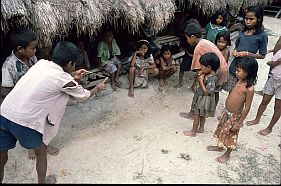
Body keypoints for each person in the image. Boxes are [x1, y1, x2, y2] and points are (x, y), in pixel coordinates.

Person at [0, 41, 107, 183]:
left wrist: (72, 74)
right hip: (23, 121)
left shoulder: (41, 63)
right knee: (41, 153)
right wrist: (97, 88)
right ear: (69, 63)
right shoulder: (64, 80)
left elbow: (53, 77)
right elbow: (84, 96)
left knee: (1, 157)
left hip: (4, 112)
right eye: (73, 65)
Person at [207, 56, 258, 163]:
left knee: (231, 135)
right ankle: (220, 146)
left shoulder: (249, 89)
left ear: (248, 72)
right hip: (227, 112)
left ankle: (227, 154)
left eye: (239, 70)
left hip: (235, 117)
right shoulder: (238, 81)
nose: (236, 72)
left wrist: (238, 123)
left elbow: (247, 107)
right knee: (222, 130)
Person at [179, 22, 228, 119]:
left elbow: (199, 70)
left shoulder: (198, 48)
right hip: (222, 69)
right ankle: (208, 113)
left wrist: (198, 83)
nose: (187, 40)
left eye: (187, 38)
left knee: (200, 93)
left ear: (192, 37)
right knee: (215, 91)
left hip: (217, 71)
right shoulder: (205, 41)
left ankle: (193, 114)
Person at [228, 5, 268, 92]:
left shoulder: (262, 35)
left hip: (247, 69)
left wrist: (247, 54)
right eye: (246, 19)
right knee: (231, 91)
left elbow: (262, 55)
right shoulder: (242, 31)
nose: (248, 21)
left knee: (241, 93)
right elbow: (237, 45)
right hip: (235, 66)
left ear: (259, 19)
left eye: (251, 19)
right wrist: (235, 51)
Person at [183, 52, 220, 137]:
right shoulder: (207, 74)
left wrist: (200, 81)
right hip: (201, 98)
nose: (201, 68)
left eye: (202, 66)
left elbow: (207, 92)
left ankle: (193, 132)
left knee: (197, 115)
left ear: (209, 67)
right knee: (202, 115)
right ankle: (201, 128)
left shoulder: (212, 79)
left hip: (203, 100)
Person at [245, 48, 281, 136]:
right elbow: (269, 63)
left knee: (278, 107)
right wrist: (278, 61)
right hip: (273, 79)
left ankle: (269, 128)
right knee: (264, 101)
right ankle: (257, 119)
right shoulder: (280, 52)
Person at [1, 27, 38, 99]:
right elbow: (6, 91)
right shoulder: (8, 66)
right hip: (19, 99)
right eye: (33, 48)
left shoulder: (32, 57)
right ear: (20, 49)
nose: (35, 50)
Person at [175, 19, 198, 89]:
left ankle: (194, 84)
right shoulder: (184, 38)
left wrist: (194, 55)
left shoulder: (198, 39)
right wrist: (189, 53)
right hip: (188, 54)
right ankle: (180, 83)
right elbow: (184, 47)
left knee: (198, 69)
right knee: (182, 67)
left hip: (196, 55)